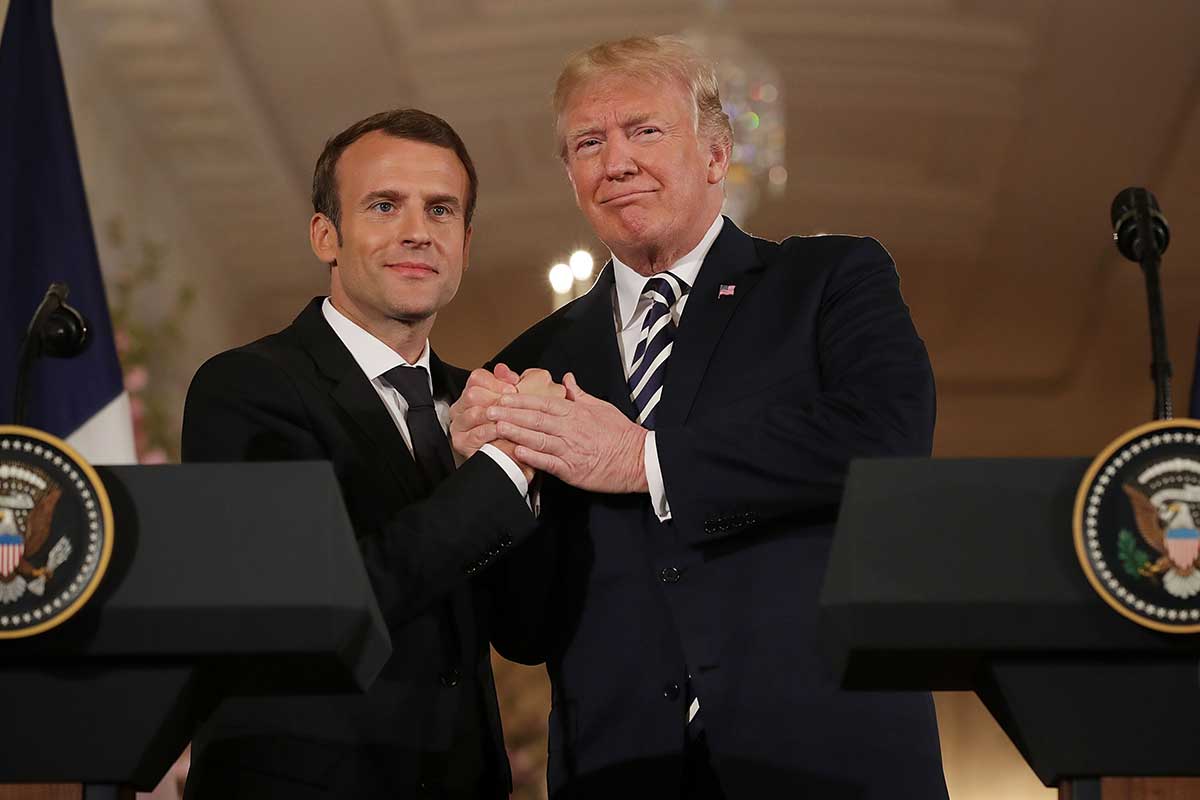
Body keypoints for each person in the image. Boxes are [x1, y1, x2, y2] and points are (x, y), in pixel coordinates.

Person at [450, 36, 948, 799]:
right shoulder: (531, 366)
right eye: (589, 142)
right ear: (572, 177)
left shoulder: (827, 282)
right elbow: (523, 632)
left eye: (644, 130)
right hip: (620, 769)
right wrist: (488, 491)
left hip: (826, 757)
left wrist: (647, 461)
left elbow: (886, 437)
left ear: (717, 156)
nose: (616, 161)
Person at [181, 108, 540, 799]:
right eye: (384, 205)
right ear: (326, 235)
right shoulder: (247, 388)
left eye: (441, 210)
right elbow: (313, 606)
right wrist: (495, 479)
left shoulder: (487, 404)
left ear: (465, 242)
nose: (417, 231)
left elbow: (524, 632)